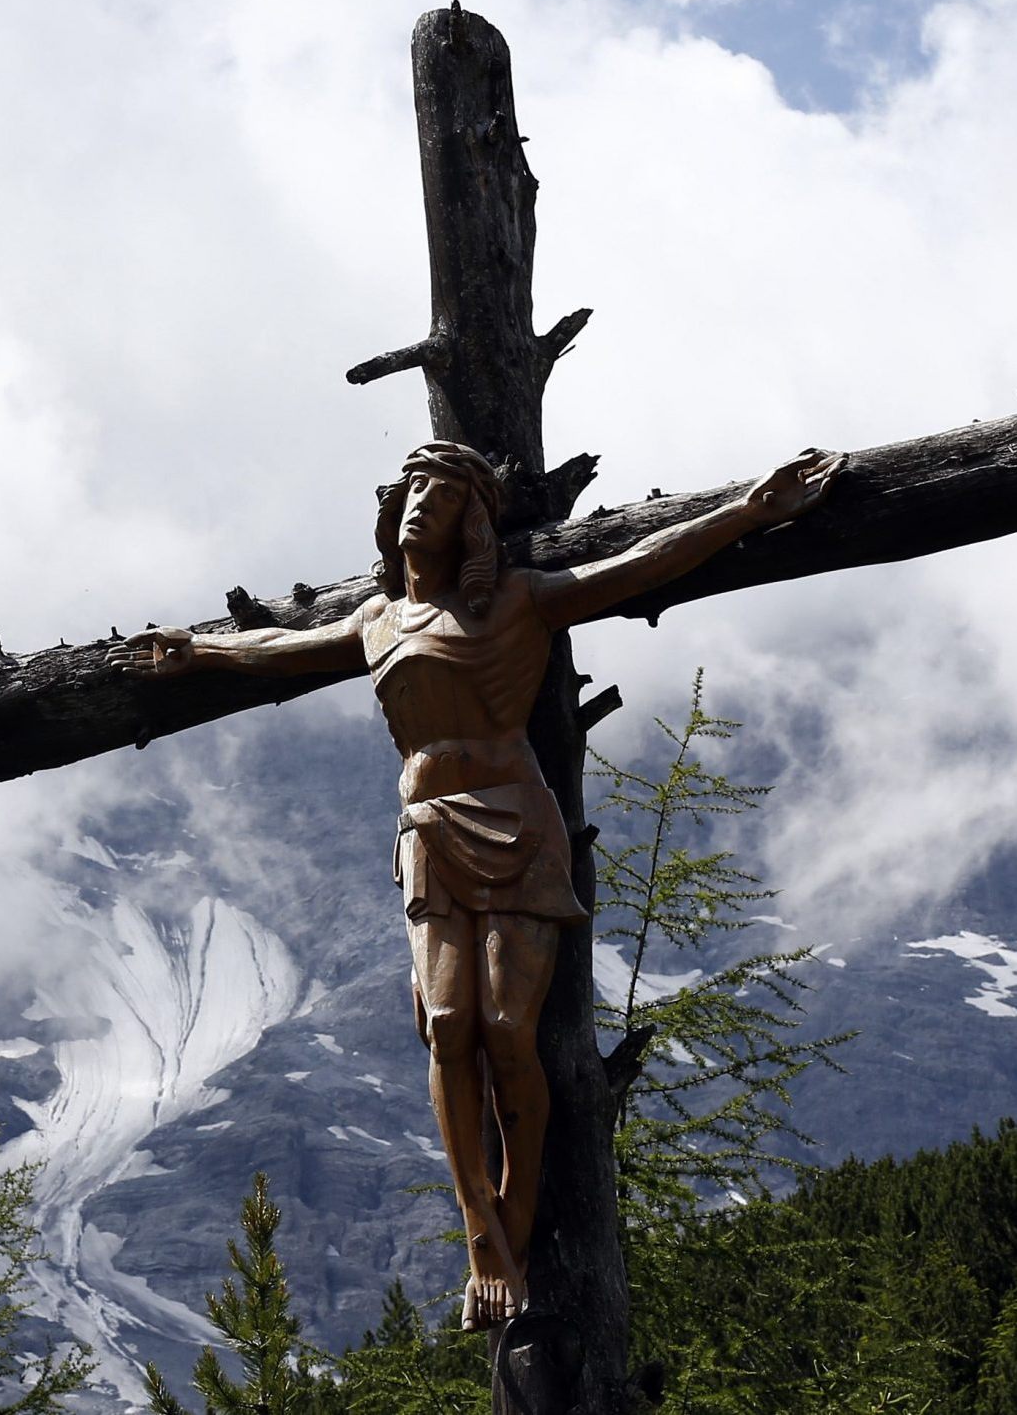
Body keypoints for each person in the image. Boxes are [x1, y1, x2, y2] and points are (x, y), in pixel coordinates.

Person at [107, 440, 842, 1328]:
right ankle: (483, 1239)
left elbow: (641, 561)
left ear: (475, 522)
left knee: (504, 1030)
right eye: (413, 489)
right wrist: (201, 651)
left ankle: (516, 1230)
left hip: (516, 822)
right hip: (426, 830)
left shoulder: (523, 601)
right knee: (446, 1026)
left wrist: (748, 511)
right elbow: (280, 647)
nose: (424, 505)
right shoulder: (377, 620)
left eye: (446, 495)